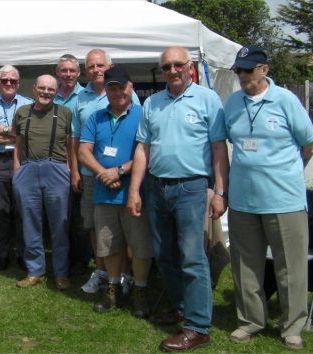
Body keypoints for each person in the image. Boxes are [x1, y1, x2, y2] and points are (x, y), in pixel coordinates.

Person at [127, 47, 229, 351]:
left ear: (190, 67)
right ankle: (182, 308)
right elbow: (142, 150)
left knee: (192, 256)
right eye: (167, 66)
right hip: (156, 188)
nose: (173, 70)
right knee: (165, 255)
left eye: (178, 65)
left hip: (191, 188)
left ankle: (198, 327)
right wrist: (134, 190)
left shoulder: (208, 99)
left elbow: (219, 149)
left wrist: (220, 192)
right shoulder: (153, 103)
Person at [224, 46, 313, 350]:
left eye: (248, 70)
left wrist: (287, 173)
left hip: (284, 201)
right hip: (242, 201)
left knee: (289, 267)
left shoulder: (286, 100)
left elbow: (308, 145)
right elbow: (226, 141)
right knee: (245, 266)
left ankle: (292, 326)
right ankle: (250, 320)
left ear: (264, 69)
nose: (243, 76)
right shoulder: (233, 103)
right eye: (239, 71)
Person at [78, 66, 153, 317]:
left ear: (131, 87)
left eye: (122, 87)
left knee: (140, 245)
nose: (118, 92)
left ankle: (140, 290)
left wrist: (119, 171)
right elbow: (83, 151)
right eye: (112, 88)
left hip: (135, 192)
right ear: (106, 91)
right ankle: (113, 288)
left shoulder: (144, 114)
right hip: (104, 193)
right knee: (108, 244)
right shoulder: (96, 117)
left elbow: (148, 151)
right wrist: (103, 173)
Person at [71, 49, 140, 294]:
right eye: (91, 67)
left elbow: (142, 144)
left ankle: (126, 276)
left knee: (129, 230)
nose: (96, 70)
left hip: (128, 179)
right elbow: (77, 140)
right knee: (97, 228)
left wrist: (118, 172)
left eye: (100, 65)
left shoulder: (133, 101)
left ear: (109, 66)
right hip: (94, 178)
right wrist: (84, 171)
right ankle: (102, 272)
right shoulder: (82, 98)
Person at [12, 74, 72, 290]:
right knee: (30, 223)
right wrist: (16, 175)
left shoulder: (65, 113)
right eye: (42, 88)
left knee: (59, 224)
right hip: (27, 170)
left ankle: (61, 273)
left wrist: (69, 171)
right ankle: (35, 270)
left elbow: (70, 147)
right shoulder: (21, 113)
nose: (46, 92)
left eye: (51, 89)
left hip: (56, 169)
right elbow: (18, 146)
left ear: (56, 92)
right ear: (34, 89)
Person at [0, 65, 33, 271]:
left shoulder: (29, 104)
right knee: (1, 209)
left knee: (22, 209)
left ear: (18, 83)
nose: (8, 84)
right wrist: (16, 133)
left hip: (24, 160)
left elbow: (29, 134)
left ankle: (22, 253)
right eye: (4, 81)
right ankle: (2, 253)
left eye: (12, 80)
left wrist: (1, 129)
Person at [54, 54, 90, 276]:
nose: (67, 74)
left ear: (79, 73)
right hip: (56, 165)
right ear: (57, 72)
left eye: (71, 70)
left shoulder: (86, 97)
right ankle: (63, 257)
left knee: (80, 216)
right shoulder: (49, 96)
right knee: (61, 215)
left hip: (79, 163)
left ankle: (82, 260)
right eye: (63, 70)